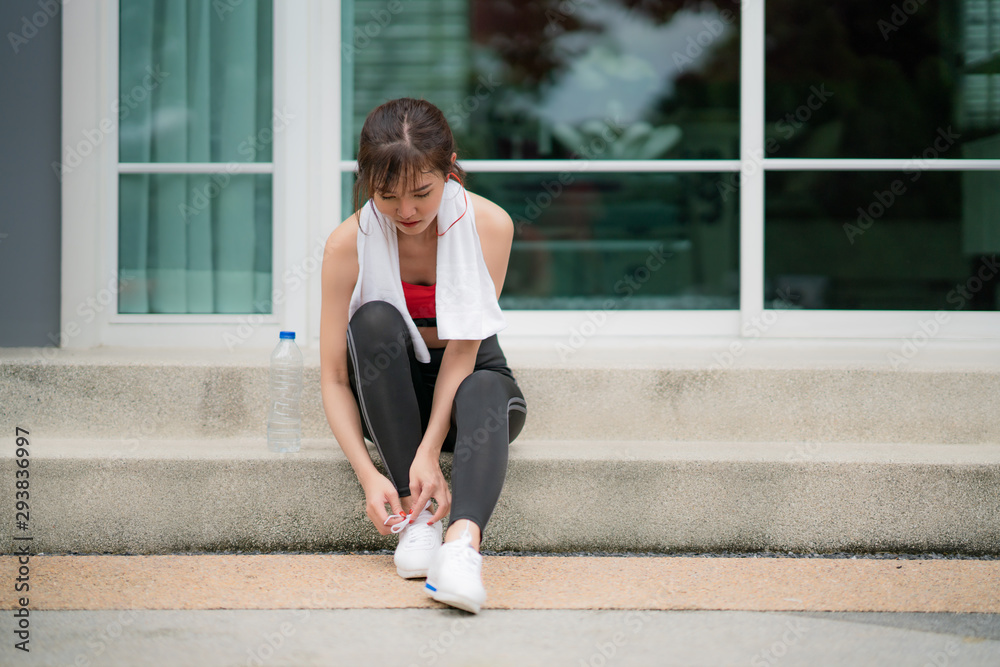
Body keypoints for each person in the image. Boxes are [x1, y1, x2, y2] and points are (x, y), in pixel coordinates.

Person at [319, 98, 527, 614]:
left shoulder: (490, 226)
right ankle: (416, 519)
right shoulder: (347, 244)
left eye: (422, 192)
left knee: (480, 386)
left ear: (449, 168)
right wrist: (373, 476)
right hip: (394, 401)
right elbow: (335, 377)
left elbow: (463, 353)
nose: (406, 212)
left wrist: (430, 451)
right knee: (372, 321)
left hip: (473, 389)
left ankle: (460, 548)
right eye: (387, 196)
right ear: (367, 181)